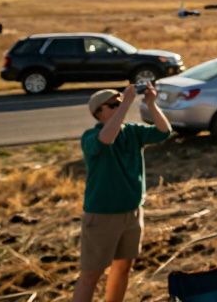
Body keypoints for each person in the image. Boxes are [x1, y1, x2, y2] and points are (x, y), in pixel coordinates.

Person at [74, 84, 171, 302]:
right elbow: (106, 139)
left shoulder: (133, 132)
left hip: (132, 212)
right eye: (113, 105)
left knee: (123, 267)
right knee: (91, 274)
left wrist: (151, 104)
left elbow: (164, 132)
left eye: (120, 104)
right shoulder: (91, 136)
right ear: (98, 112)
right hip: (102, 216)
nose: (119, 107)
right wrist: (126, 102)